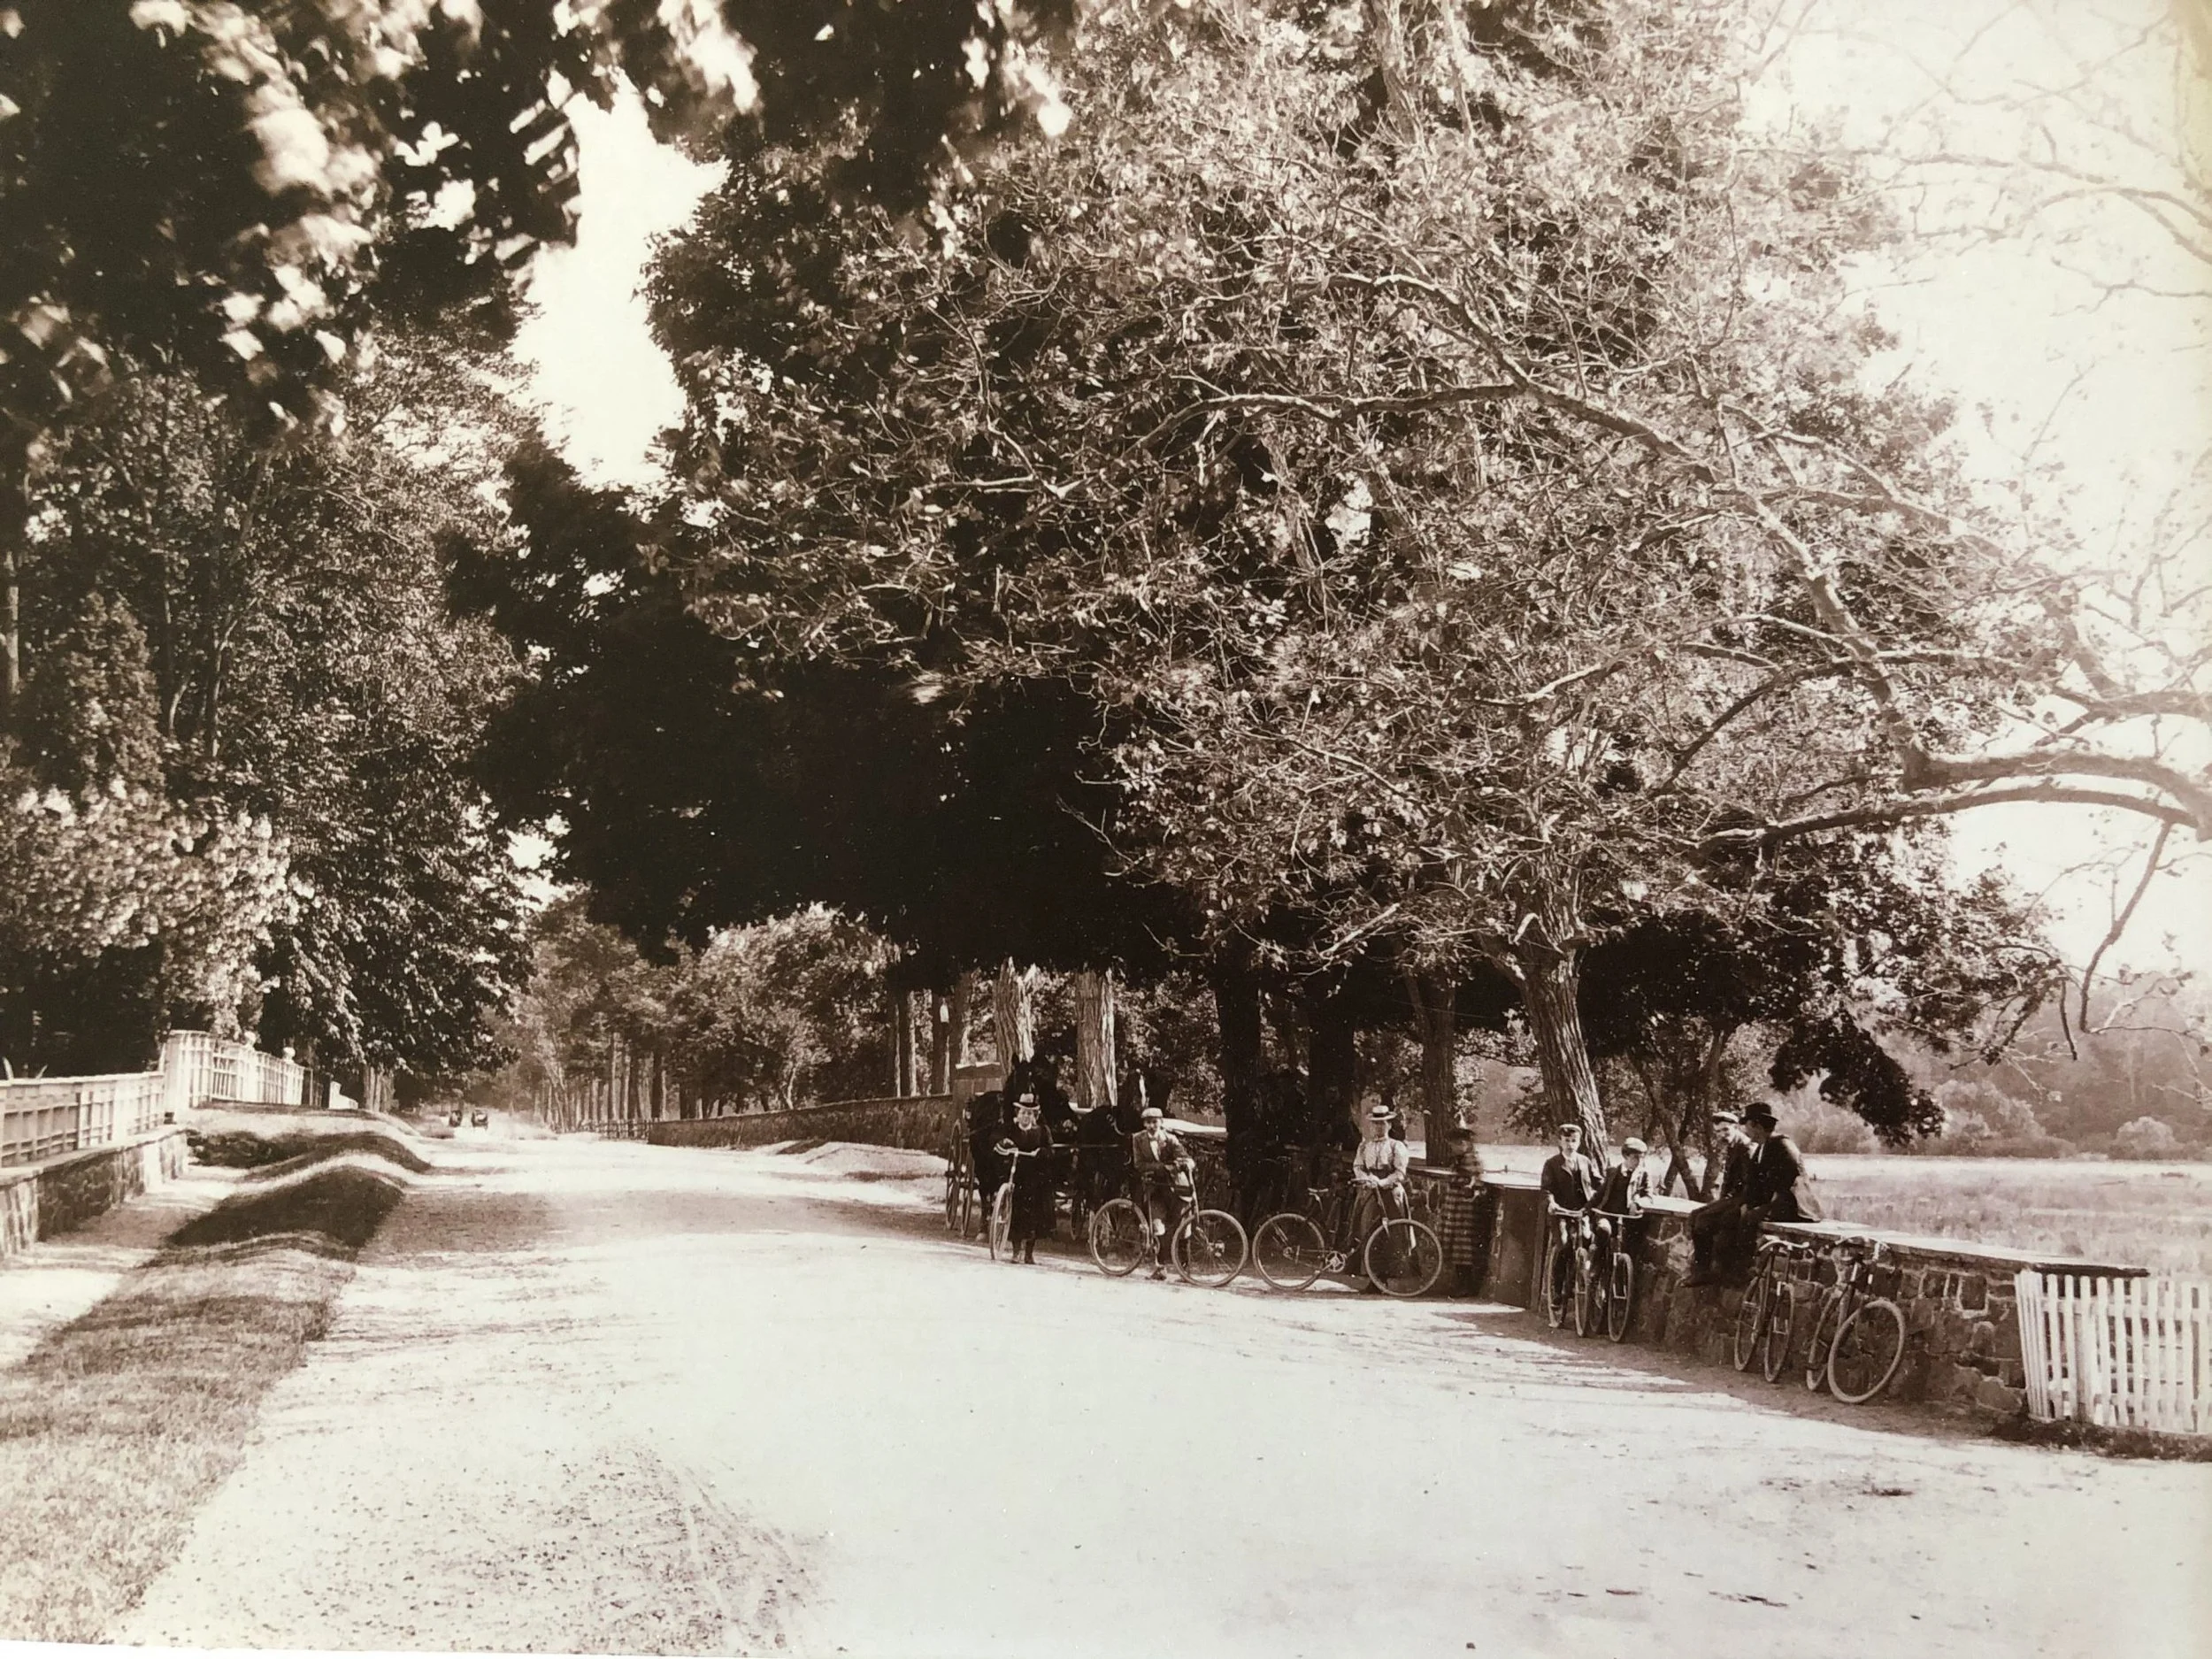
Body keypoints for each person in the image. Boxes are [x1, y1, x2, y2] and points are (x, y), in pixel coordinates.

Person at [1686, 1102, 1819, 1284]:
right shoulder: (1763, 1146)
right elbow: (1754, 1183)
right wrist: (1748, 1203)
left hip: (1792, 1205)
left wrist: (1757, 1206)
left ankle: (1741, 1270)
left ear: (1757, 1125)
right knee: (1736, 1217)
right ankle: (1723, 1270)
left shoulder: (1782, 1146)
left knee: (1748, 1218)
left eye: (1747, 1125)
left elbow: (1787, 1183)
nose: (1746, 1131)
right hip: (1775, 1201)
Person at [1342, 1103, 1411, 1281]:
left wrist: (1382, 1182)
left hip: (1390, 1193)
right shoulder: (1365, 1146)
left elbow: (1400, 1173)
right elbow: (1358, 1166)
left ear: (1389, 1125)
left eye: (1383, 1123)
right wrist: (1366, 1179)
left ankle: (1393, 1276)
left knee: (1393, 1233)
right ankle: (1372, 1276)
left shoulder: (1397, 1147)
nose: (1379, 1127)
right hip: (1370, 1193)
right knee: (1367, 1230)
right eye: (1375, 1123)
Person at [1130, 1103, 1196, 1279]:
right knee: (1158, 1228)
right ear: (1144, 1124)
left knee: (1183, 1227)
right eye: (1148, 1122)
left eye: (1155, 1122)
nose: (1152, 1126)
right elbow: (1139, 1165)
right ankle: (1161, 1269)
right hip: (1155, 1189)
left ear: (1161, 1122)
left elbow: (1184, 1156)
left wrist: (1187, 1163)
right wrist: (1163, 1168)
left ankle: (1185, 1270)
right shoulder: (1137, 1139)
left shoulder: (1171, 1139)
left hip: (1176, 1189)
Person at [995, 1092, 1056, 1264]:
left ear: (1034, 1116)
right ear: (1017, 1114)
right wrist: (1006, 1146)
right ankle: (1015, 1252)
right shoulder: (1010, 1130)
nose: (1026, 1117)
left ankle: (1029, 1253)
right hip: (1016, 1175)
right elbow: (998, 1142)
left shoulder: (1041, 1131)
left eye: (1029, 1114)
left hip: (1035, 1178)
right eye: (1023, 1113)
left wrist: (1041, 1152)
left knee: (1035, 1214)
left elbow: (1051, 1150)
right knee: (1015, 1211)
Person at [1434, 1131, 1489, 1294]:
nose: (1454, 1148)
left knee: (1463, 1248)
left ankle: (1466, 1286)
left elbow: (1476, 1181)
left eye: (1457, 1144)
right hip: (1455, 1207)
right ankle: (1460, 1283)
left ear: (1465, 1144)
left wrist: (1470, 1189)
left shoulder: (1473, 1160)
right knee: (1456, 1246)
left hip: (1465, 1209)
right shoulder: (1459, 1160)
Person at [1592, 1135, 1654, 1261]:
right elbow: (1599, 1195)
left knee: (1633, 1246)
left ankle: (1626, 1273)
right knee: (1604, 1231)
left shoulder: (1644, 1175)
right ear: (1625, 1156)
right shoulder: (1612, 1172)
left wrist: (1637, 1203)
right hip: (1608, 1216)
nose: (1639, 1162)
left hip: (1629, 1219)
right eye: (1635, 1158)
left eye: (1642, 1158)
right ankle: (1596, 1267)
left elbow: (1649, 1197)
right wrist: (1587, 1210)